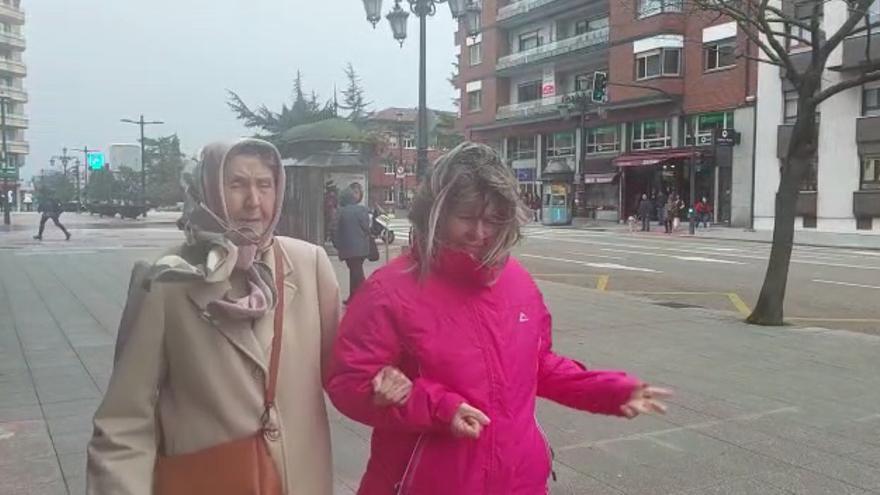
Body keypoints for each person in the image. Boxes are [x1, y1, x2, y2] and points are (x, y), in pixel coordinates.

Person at [326, 142, 671, 495]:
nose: (479, 233)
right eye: (466, 217)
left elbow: (540, 366)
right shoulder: (389, 290)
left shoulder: (518, 282)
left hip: (519, 480)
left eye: (492, 220)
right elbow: (346, 383)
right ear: (436, 213)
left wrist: (609, 390)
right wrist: (434, 406)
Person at [87, 139, 340, 495]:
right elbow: (124, 420)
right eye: (236, 185)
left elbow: (346, 376)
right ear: (210, 190)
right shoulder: (165, 279)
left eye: (265, 185)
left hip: (299, 481)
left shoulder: (309, 265)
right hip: (208, 479)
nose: (254, 201)